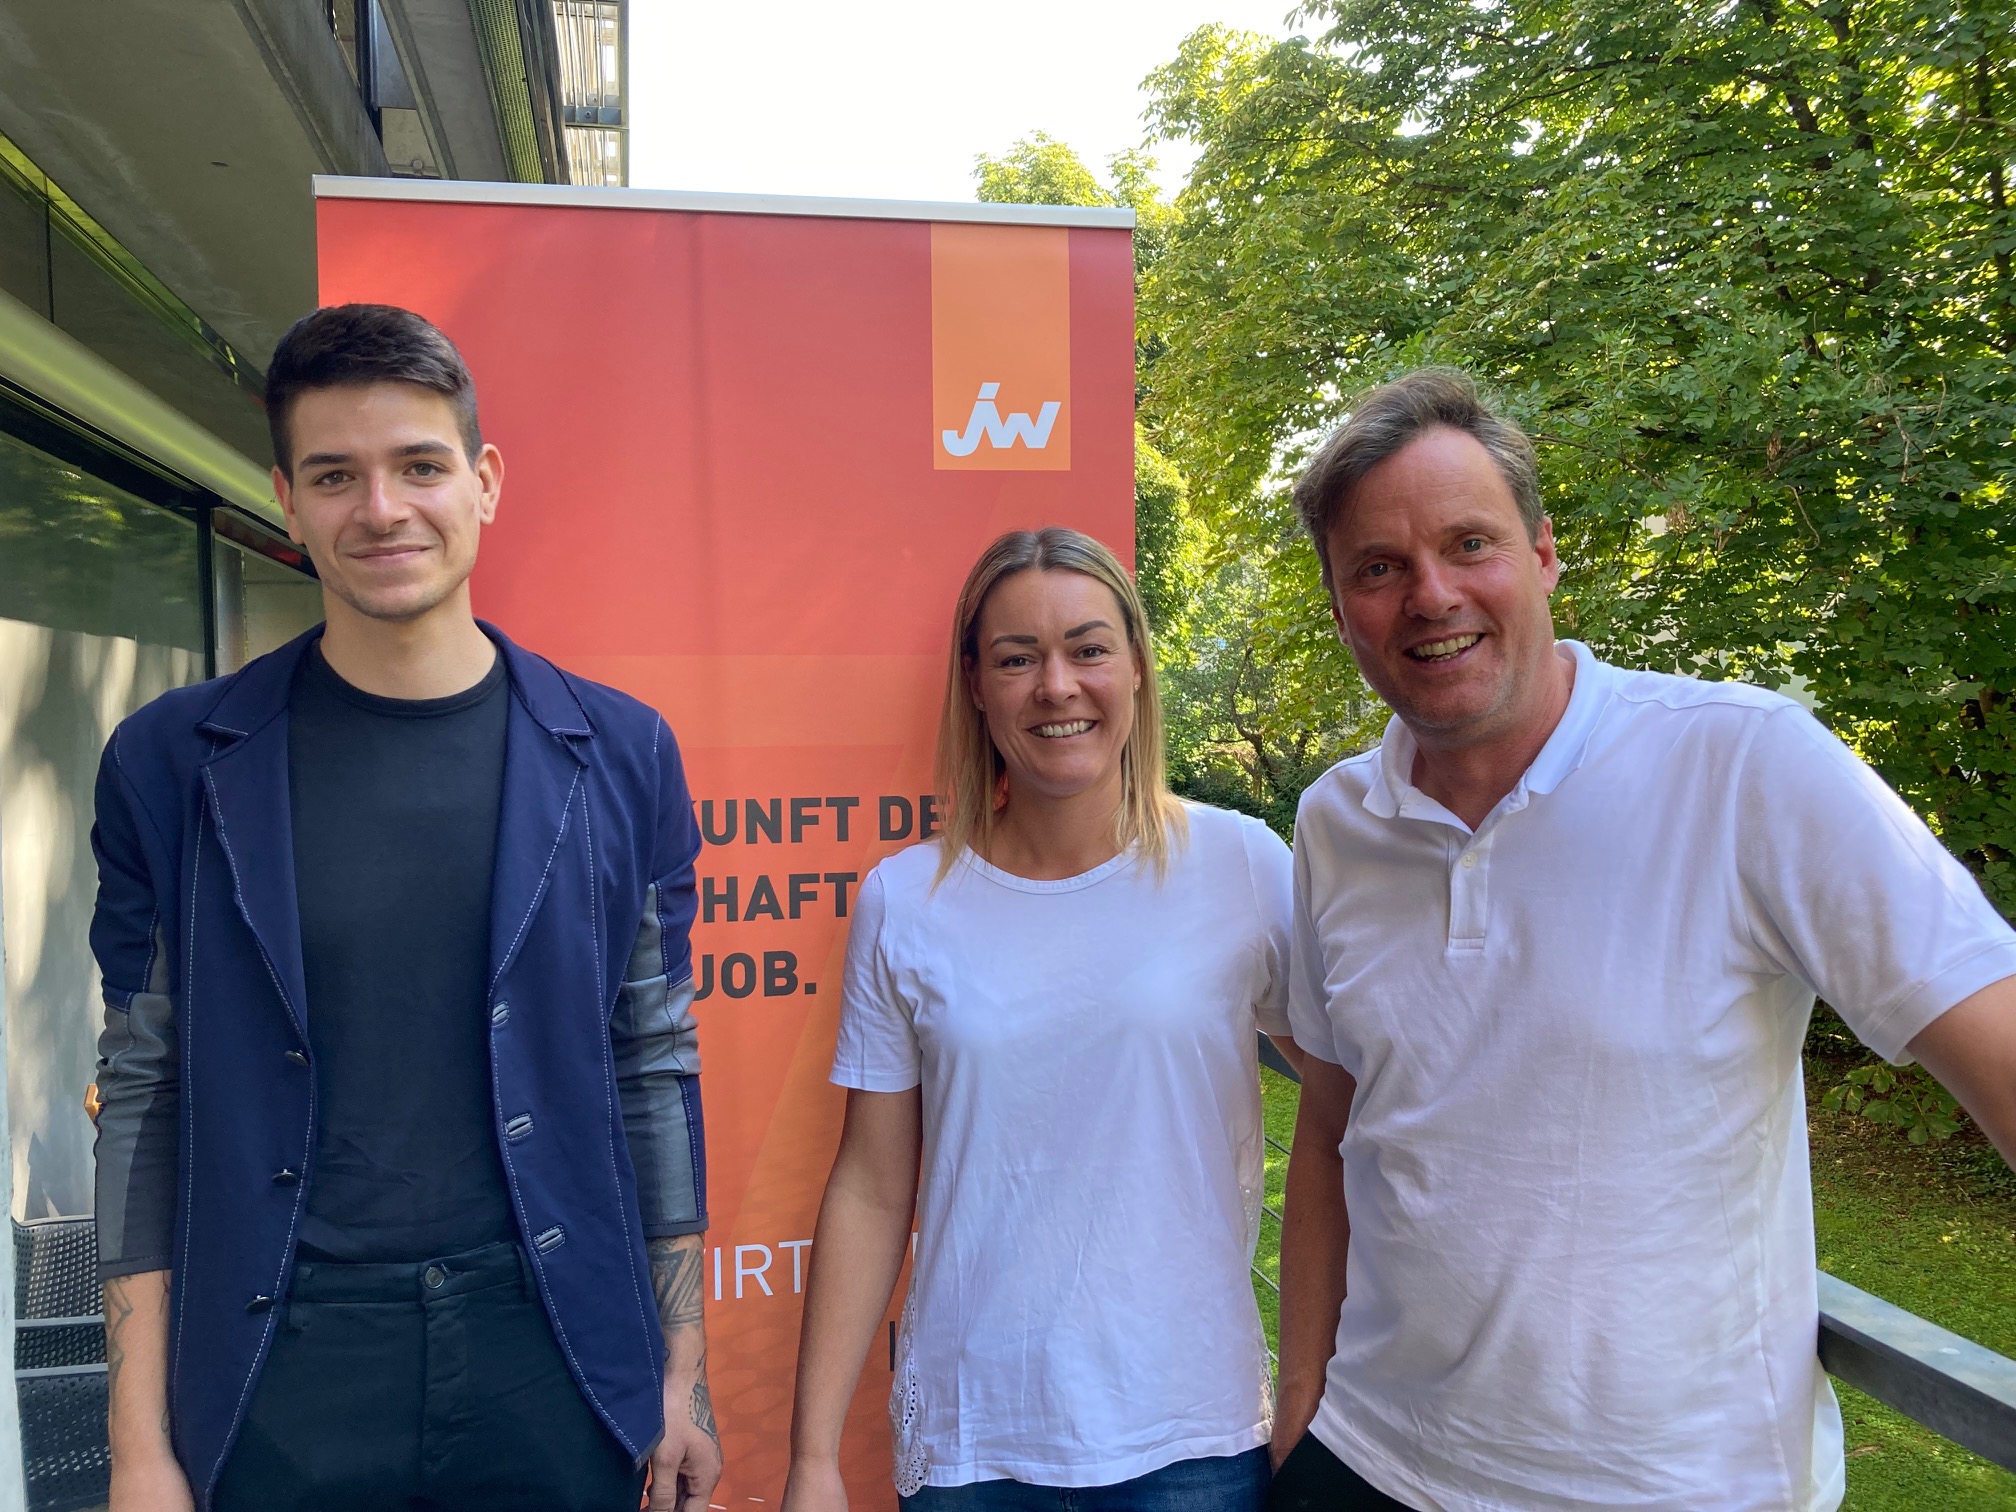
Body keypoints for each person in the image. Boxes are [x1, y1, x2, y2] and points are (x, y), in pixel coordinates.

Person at [1268, 368, 2016, 1512]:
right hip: (1373, 1461)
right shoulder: (1335, 821)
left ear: (1545, 556)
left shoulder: (1745, 766)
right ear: (1340, 606)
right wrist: (1298, 1411)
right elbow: (1328, 1128)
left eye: (1471, 544)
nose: (1431, 595)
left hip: (1671, 1488)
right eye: (1378, 567)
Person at [89, 304, 722, 1512]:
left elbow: (653, 1066)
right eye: (336, 475)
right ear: (286, 499)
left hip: (552, 1357)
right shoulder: (172, 764)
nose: (381, 509)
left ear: (482, 482)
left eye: (419, 466)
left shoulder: (622, 753)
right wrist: (137, 1446)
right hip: (281, 1366)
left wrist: (682, 1377)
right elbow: (143, 1091)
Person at [780, 527, 1296, 1511]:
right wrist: (811, 1460)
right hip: (976, 1450)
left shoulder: (1241, 865)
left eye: (1088, 648)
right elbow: (872, 1186)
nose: (1056, 685)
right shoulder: (906, 900)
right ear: (976, 684)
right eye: (1018, 658)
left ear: (1138, 667)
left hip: (1192, 1441)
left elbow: (1358, 1104)